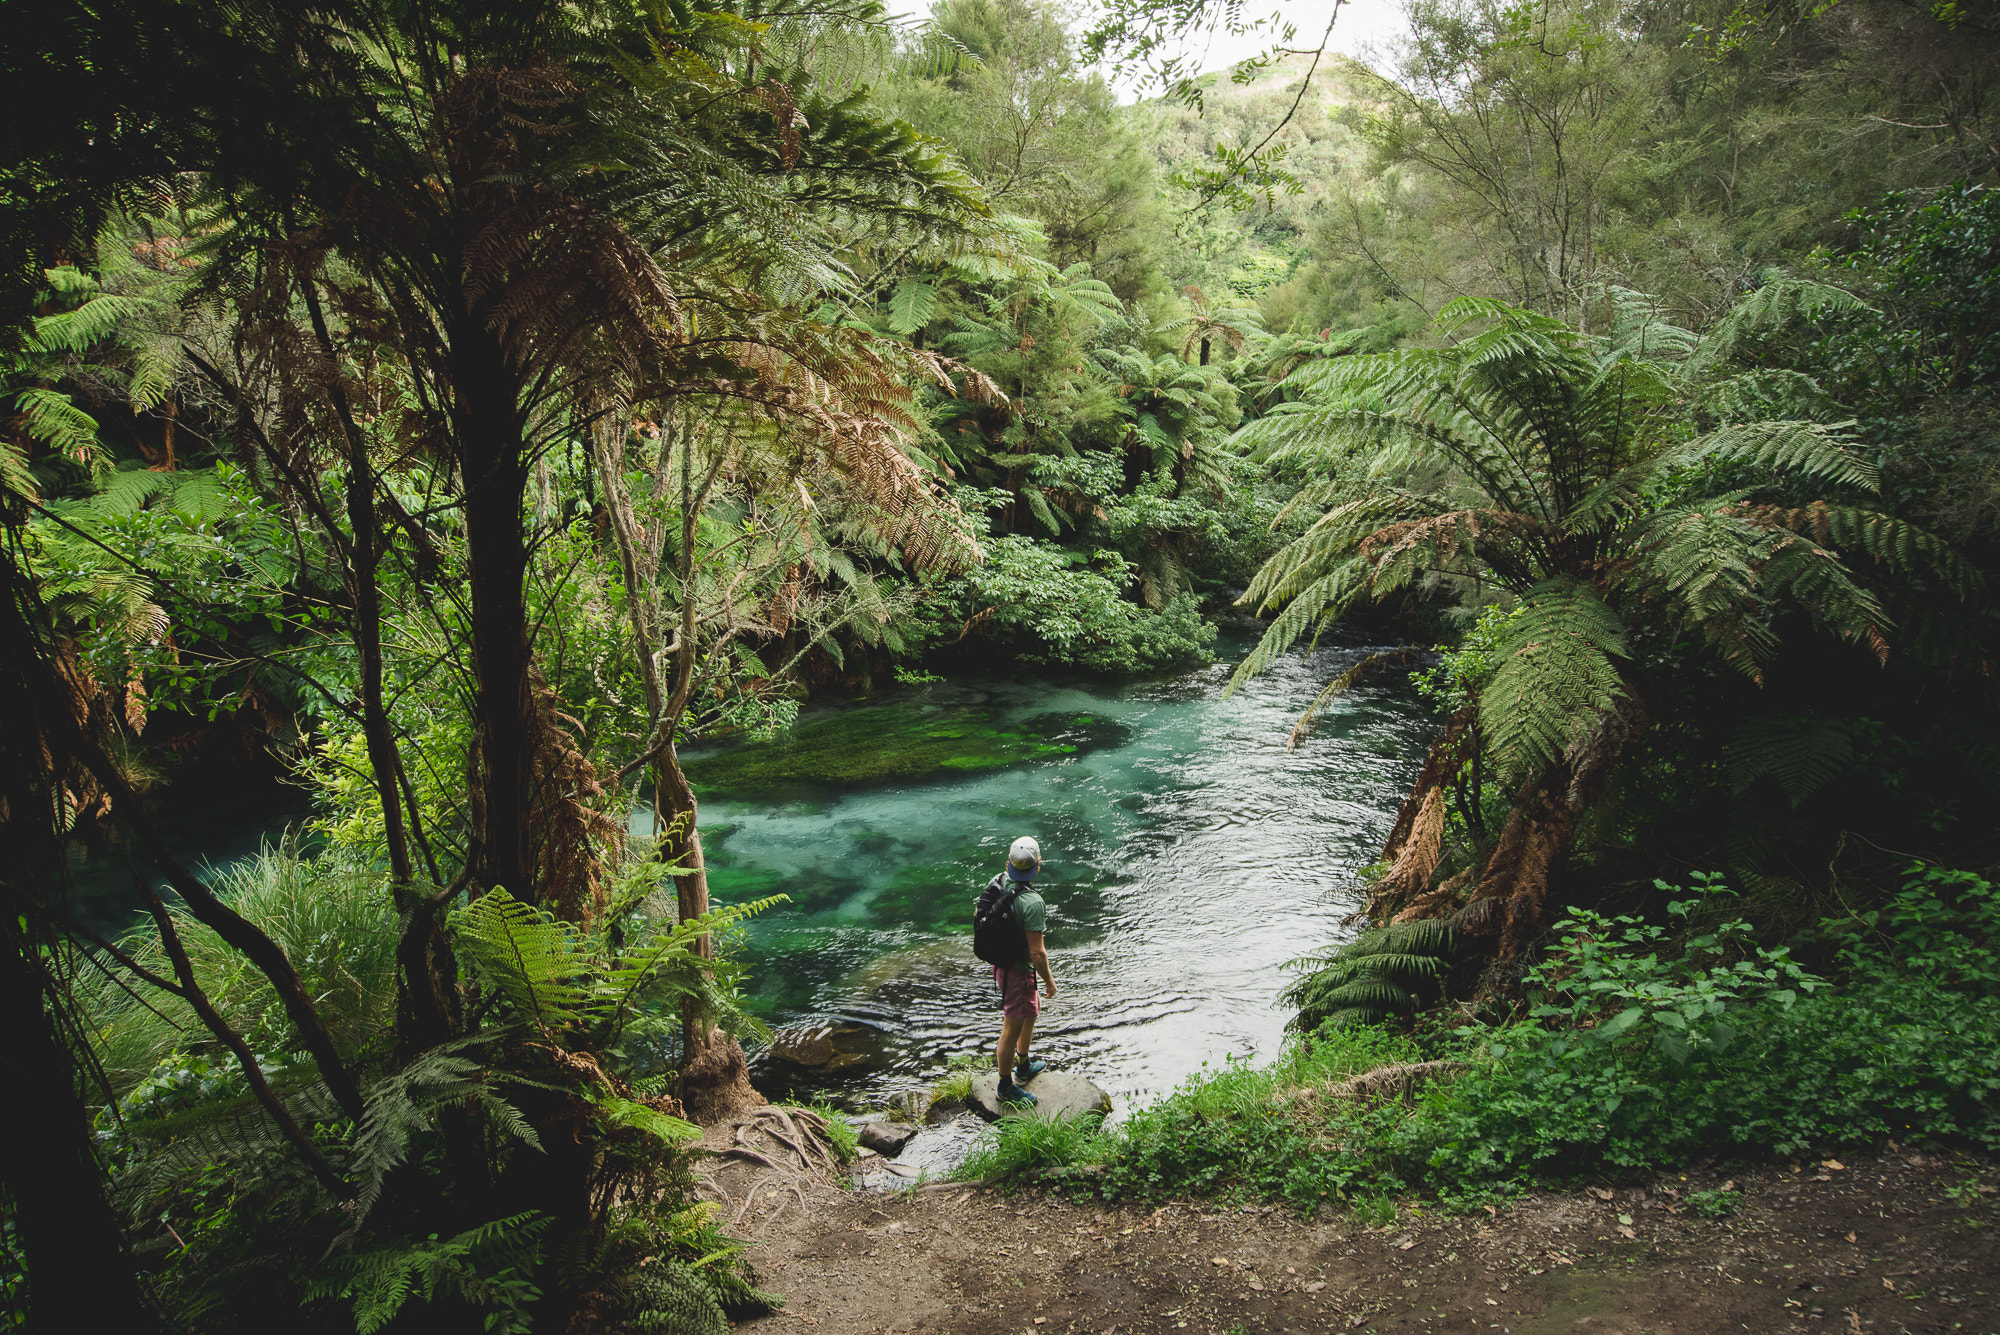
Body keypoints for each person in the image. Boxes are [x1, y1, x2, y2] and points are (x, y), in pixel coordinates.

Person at [988, 835, 1056, 1106]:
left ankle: (1023, 1065)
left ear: (1009, 863)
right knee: (1010, 1028)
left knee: (1030, 1010)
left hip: (1002, 964)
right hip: (1017, 971)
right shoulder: (1032, 902)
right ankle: (1005, 1086)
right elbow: (1037, 952)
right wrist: (1049, 982)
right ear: (1038, 865)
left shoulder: (998, 880)